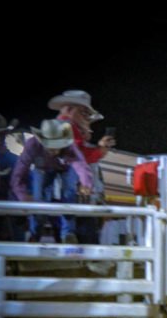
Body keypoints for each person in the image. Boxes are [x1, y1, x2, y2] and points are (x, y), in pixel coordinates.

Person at [49, 90, 116, 243]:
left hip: (71, 197)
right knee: (84, 237)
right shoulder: (66, 128)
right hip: (73, 198)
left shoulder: (67, 130)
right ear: (70, 110)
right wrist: (100, 150)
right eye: (84, 113)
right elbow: (78, 157)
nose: (87, 121)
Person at [10, 119, 93, 243]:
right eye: (49, 146)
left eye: (56, 146)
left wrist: (86, 184)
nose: (53, 150)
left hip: (65, 168)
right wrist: (22, 196)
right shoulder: (32, 145)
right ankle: (35, 234)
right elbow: (18, 174)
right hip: (42, 169)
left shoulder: (69, 147)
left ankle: (68, 234)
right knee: (38, 200)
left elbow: (81, 165)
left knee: (69, 193)